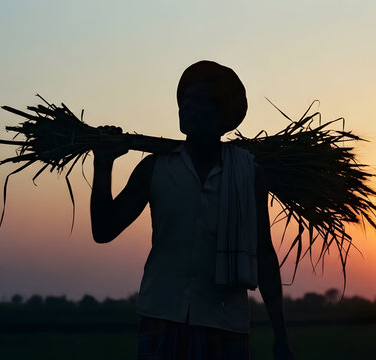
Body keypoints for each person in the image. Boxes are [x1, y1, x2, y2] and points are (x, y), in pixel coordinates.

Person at [90, 60, 294, 359]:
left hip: (225, 326)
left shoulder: (248, 174)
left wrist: (281, 335)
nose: (185, 107)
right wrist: (103, 163)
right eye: (183, 100)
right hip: (161, 321)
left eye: (197, 100)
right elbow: (104, 230)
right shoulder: (154, 169)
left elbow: (264, 254)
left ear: (222, 113)